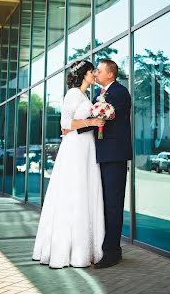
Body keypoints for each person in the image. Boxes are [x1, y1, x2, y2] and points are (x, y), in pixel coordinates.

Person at [32, 60, 106, 268]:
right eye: (91, 72)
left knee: (87, 192)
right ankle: (69, 251)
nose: (94, 75)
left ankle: (85, 249)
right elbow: (66, 125)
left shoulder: (85, 96)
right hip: (75, 149)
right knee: (74, 193)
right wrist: (92, 122)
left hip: (87, 147)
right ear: (83, 74)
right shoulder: (73, 94)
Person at [63, 59, 132, 269]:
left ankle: (113, 253)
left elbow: (104, 116)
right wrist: (72, 129)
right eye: (94, 71)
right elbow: (93, 119)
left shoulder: (120, 93)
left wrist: (76, 126)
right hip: (98, 156)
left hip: (114, 157)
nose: (96, 74)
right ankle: (103, 247)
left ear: (110, 74)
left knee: (113, 205)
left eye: (99, 71)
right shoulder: (97, 95)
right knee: (101, 204)